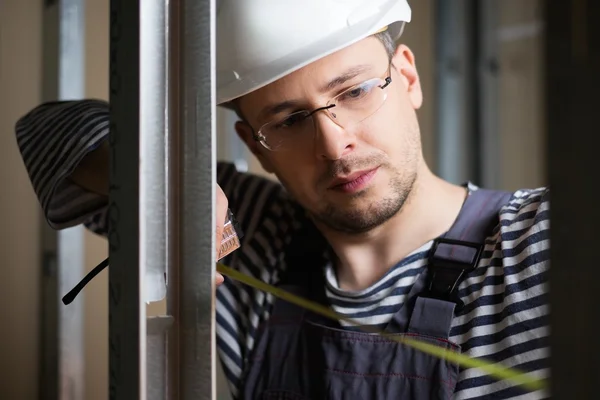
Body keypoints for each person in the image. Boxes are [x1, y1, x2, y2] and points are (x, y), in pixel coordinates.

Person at [14, 1, 550, 399]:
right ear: (256, 147)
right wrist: (167, 192)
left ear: (406, 77)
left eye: (356, 91)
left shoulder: (539, 241)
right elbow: (50, 132)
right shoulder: (251, 236)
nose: (335, 144)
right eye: (291, 121)